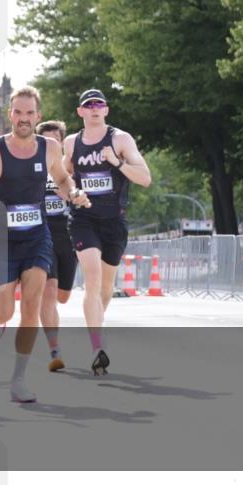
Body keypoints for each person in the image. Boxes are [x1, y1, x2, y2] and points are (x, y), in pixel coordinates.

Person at [0, 86, 90, 402]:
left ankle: (19, 379)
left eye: (29, 113)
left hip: (37, 235)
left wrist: (72, 193)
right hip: (2, 239)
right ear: (10, 115)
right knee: (6, 311)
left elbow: (62, 179)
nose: (23, 118)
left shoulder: (48, 147)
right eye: (18, 112)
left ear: (38, 115)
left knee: (32, 303)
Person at [63, 89, 151, 375]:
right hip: (83, 218)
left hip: (114, 222)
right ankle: (97, 347)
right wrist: (73, 193)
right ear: (81, 112)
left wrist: (116, 162)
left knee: (104, 288)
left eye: (99, 104)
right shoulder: (71, 143)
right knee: (92, 278)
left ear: (107, 110)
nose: (94, 109)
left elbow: (145, 179)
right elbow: (61, 180)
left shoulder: (121, 139)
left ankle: (96, 329)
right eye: (88, 105)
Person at [36, 120, 77, 372]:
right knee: (48, 292)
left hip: (67, 234)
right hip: (42, 233)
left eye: (55, 140)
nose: (51, 144)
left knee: (62, 296)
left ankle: (54, 339)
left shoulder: (70, 167)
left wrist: (71, 195)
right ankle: (54, 348)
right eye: (46, 140)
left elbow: (83, 197)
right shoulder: (33, 166)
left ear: (61, 143)